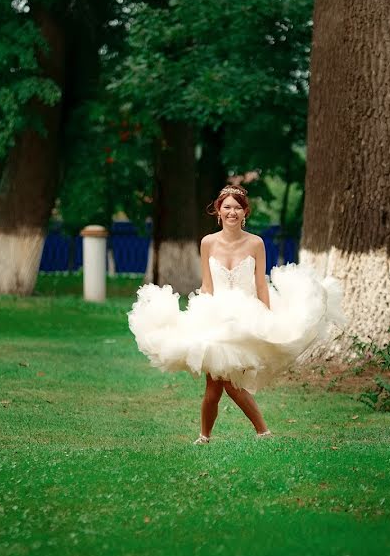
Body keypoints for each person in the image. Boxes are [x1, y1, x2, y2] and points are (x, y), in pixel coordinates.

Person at [128, 182, 345, 444]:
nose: (232, 212)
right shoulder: (207, 242)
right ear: (218, 212)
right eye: (227, 207)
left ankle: (242, 433)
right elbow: (207, 284)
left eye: (238, 208)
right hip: (215, 315)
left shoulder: (255, 243)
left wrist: (267, 316)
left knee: (228, 383)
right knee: (215, 385)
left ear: (245, 213)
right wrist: (199, 315)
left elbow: (260, 282)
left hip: (245, 316)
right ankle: (218, 435)